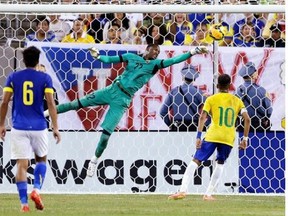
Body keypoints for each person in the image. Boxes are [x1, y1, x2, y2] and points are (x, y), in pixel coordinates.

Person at [44, 44, 208, 177]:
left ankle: (93, 161)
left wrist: (192, 51)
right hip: (111, 89)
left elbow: (174, 60)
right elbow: (110, 59)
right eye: (154, 50)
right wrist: (98, 56)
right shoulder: (131, 57)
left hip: (122, 99)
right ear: (147, 50)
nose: (156, 53)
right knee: (76, 104)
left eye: (158, 51)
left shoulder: (154, 65)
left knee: (105, 135)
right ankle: (44, 113)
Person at [168, 74, 250, 201]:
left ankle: (182, 191)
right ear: (230, 86)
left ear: (217, 86)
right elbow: (247, 120)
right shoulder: (237, 101)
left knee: (196, 161)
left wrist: (198, 136)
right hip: (228, 137)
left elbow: (202, 117)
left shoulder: (211, 99)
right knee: (220, 163)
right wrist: (244, 139)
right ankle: (208, 194)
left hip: (212, 135)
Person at [0, 46, 61, 212]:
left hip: (18, 126)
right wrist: (55, 127)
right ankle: (36, 189)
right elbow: (50, 102)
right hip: (39, 126)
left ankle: (24, 204)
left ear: (23, 60)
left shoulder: (13, 77)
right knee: (41, 160)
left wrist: (1, 125)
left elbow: (4, 102)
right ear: (38, 60)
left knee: (21, 164)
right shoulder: (45, 78)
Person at [160, 65, 206, 131]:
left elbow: (162, 112)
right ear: (194, 79)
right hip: (194, 127)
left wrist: (170, 125)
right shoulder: (198, 92)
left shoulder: (174, 92)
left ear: (182, 77)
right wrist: (205, 125)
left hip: (178, 127)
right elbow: (210, 110)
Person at [236, 62, 273, 131]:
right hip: (259, 126)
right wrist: (266, 119)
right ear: (252, 75)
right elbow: (269, 109)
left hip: (243, 125)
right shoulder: (261, 90)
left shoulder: (238, 90)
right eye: (255, 71)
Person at [36, 64, 59, 129]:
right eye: (39, 72)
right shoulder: (29, 88)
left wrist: (53, 123)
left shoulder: (51, 90)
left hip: (44, 123)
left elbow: (56, 107)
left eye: (43, 73)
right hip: (30, 121)